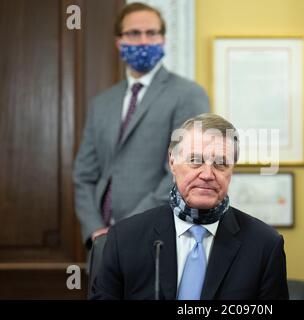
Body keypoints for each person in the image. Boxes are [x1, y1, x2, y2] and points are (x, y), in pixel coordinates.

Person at [90, 113, 289, 300]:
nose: (207, 174)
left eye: (221, 163)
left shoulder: (265, 245)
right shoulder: (124, 238)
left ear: (232, 170)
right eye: (195, 160)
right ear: (172, 162)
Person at [73, 2, 209, 248]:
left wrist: (126, 228)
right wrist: (95, 230)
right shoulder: (102, 103)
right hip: (101, 242)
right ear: (119, 42)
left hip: (158, 237)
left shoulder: (188, 95)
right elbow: (84, 175)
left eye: (152, 33)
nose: (144, 41)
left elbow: (184, 171)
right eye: (134, 33)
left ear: (163, 39)